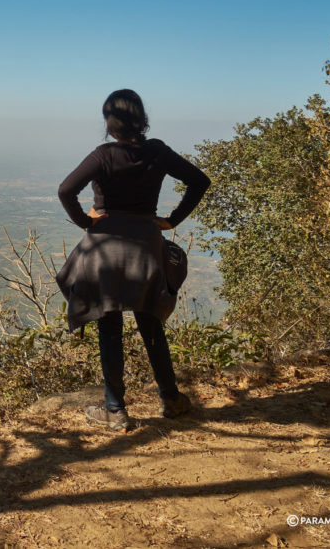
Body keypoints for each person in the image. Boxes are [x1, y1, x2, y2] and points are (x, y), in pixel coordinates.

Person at [56, 89, 210, 432]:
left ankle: (115, 410)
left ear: (110, 125)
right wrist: (172, 220)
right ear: (142, 120)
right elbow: (199, 181)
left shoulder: (103, 155)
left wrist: (88, 221)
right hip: (145, 247)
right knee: (151, 322)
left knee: (109, 327)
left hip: (105, 250)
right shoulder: (156, 151)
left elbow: (66, 190)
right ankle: (171, 399)